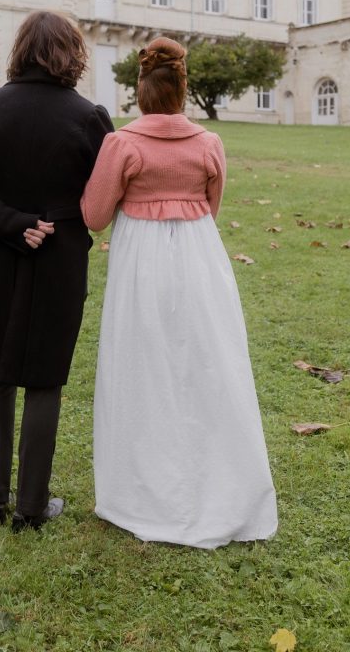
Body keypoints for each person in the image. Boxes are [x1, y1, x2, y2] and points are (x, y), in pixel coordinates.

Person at [80, 37, 278, 549]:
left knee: (141, 364)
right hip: (199, 256)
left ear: (141, 91)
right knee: (208, 362)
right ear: (182, 90)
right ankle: (217, 477)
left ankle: (145, 486)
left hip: (140, 261)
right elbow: (212, 205)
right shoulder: (208, 143)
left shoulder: (121, 144)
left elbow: (94, 216)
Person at [0, 11, 113, 532]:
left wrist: (10, 222)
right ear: (72, 54)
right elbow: (103, 197)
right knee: (43, 380)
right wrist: (32, 223)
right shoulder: (90, 118)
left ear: (20, 51)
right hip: (58, 257)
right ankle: (29, 509)